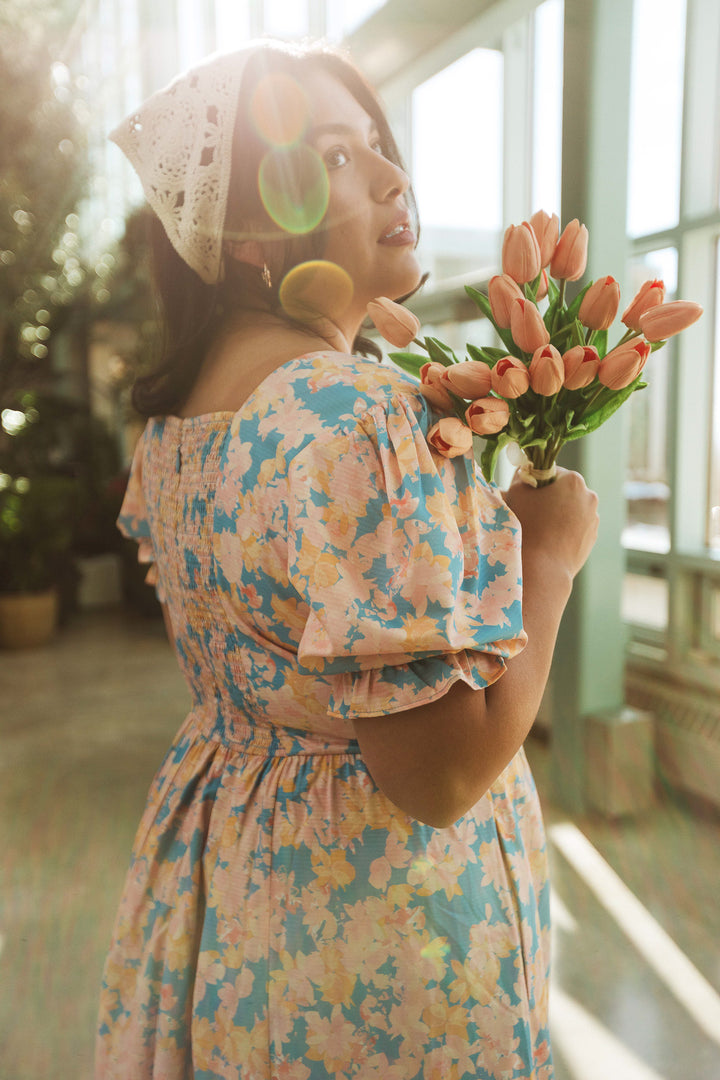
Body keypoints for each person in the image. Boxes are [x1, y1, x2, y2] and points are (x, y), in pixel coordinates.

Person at [96, 38, 598, 1080]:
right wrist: (543, 561)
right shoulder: (358, 413)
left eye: (376, 144)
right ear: (244, 239)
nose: (387, 174)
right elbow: (441, 773)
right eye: (327, 158)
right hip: (372, 924)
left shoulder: (178, 428)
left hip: (232, 886)